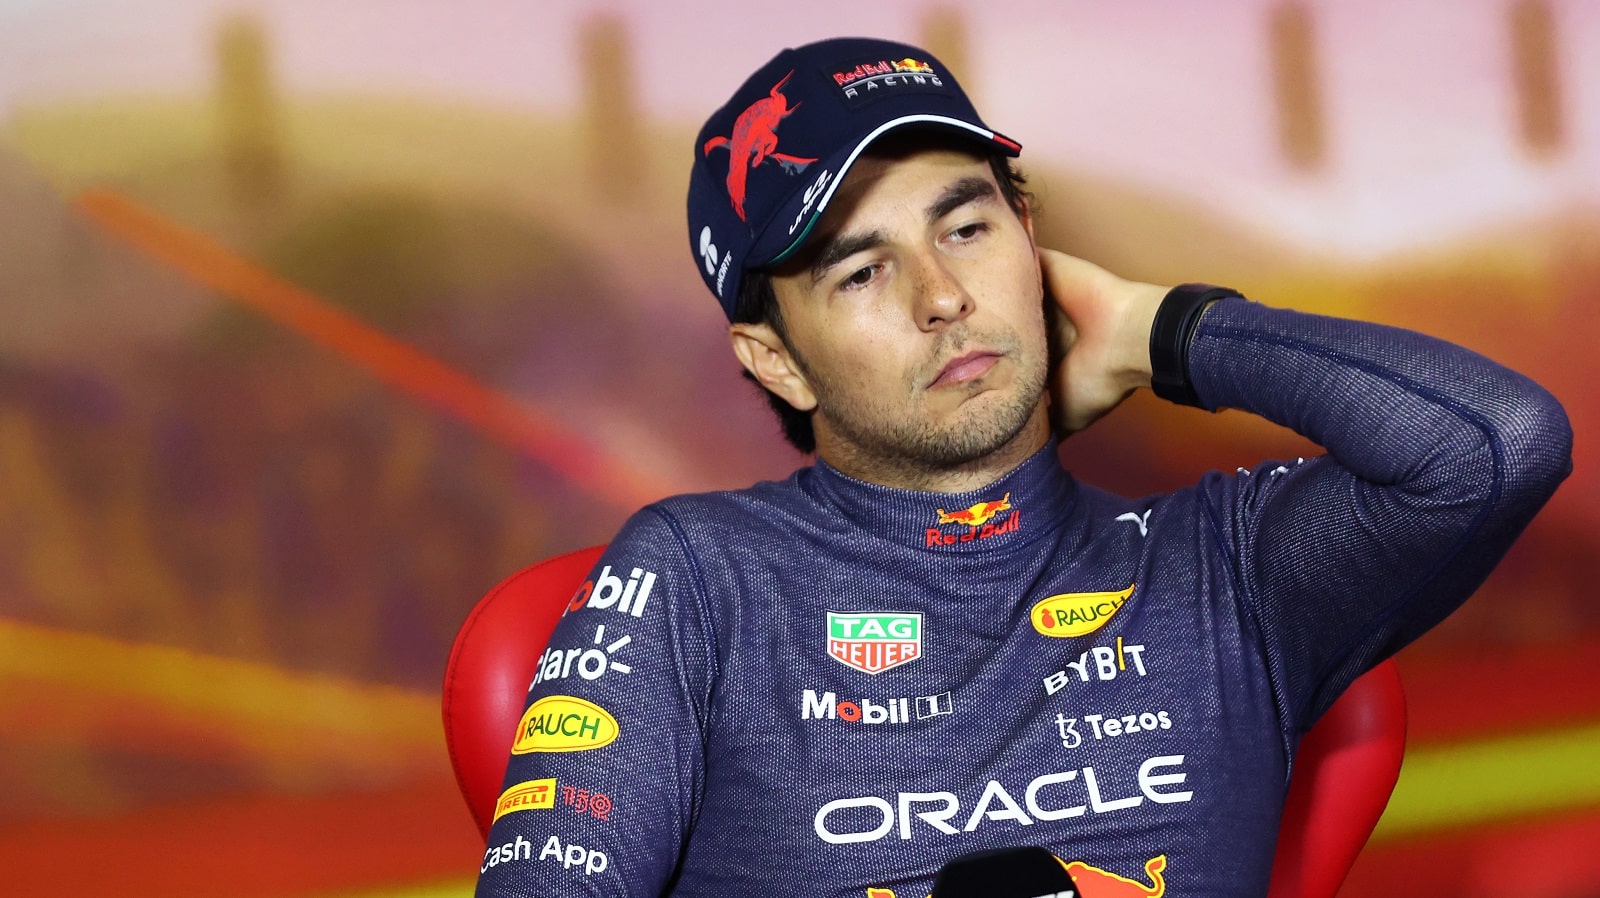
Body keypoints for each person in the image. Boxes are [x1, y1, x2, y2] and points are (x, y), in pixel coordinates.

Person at [474, 36, 1571, 898]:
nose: (941, 297)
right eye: (860, 271)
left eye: (966, 228)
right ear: (776, 360)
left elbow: (1495, 443)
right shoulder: (696, 575)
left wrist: (1162, 331)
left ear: (1030, 236)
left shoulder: (1224, 565)